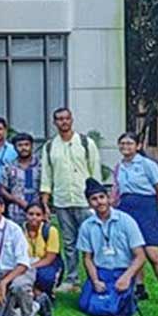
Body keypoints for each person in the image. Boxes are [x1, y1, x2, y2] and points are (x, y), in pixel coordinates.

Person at [112, 133, 158, 308]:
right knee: (134, 250)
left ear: (138, 145)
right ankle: (140, 288)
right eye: (122, 143)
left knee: (153, 253)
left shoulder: (148, 165)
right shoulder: (119, 167)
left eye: (129, 143)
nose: (125, 146)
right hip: (126, 208)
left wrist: (154, 209)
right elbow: (117, 190)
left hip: (146, 208)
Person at [40, 108, 101, 292]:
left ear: (72, 120)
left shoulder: (85, 143)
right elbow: (46, 175)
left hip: (84, 201)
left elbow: (95, 171)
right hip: (62, 201)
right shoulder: (50, 147)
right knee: (69, 242)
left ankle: (96, 277)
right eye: (59, 119)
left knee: (93, 241)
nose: (63, 122)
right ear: (54, 122)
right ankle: (72, 279)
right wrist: (45, 200)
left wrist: (96, 200)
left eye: (66, 118)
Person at [77, 178, 149, 316]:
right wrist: (95, 280)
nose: (99, 202)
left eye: (102, 197)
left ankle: (125, 298)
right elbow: (87, 258)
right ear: (89, 203)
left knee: (114, 306)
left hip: (121, 272)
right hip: (101, 272)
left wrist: (126, 277)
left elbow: (140, 256)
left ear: (108, 198)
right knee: (85, 304)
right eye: (94, 199)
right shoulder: (87, 225)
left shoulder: (126, 221)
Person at [23, 202, 61, 316]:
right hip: (24, 262)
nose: (34, 217)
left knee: (45, 276)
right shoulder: (19, 230)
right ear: (25, 215)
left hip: (45, 263)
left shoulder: (50, 231)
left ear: (44, 216)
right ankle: (38, 296)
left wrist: (31, 267)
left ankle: (47, 295)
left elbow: (50, 258)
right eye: (31, 214)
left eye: (38, 214)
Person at [0, 133, 42, 224]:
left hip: (37, 212)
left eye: (26, 145)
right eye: (20, 145)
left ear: (31, 146)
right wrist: (17, 200)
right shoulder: (9, 166)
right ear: (14, 147)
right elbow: (2, 189)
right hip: (16, 212)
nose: (23, 148)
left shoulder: (40, 165)